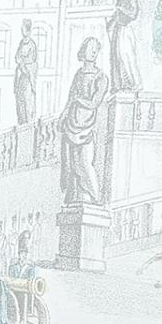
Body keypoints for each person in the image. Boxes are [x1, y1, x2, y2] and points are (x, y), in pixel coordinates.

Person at [59, 37, 110, 204]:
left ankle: (95, 197)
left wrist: (77, 101)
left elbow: (94, 103)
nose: (94, 52)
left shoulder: (101, 77)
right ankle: (75, 196)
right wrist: (64, 115)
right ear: (83, 51)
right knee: (72, 164)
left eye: (96, 48)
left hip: (87, 124)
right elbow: (70, 97)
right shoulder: (78, 74)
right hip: (72, 122)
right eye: (90, 48)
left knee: (85, 163)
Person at [107, 0, 141, 91]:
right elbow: (116, 12)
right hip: (118, 27)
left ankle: (132, 83)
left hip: (125, 27)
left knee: (126, 56)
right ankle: (120, 85)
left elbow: (133, 12)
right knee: (116, 57)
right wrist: (111, 22)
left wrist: (121, 10)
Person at [13, 19, 38, 124]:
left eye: (23, 29)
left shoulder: (31, 44)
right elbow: (17, 57)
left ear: (28, 30)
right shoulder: (21, 43)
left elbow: (31, 60)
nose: (22, 31)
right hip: (21, 77)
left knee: (28, 103)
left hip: (28, 76)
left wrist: (22, 63)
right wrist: (20, 62)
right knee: (20, 103)